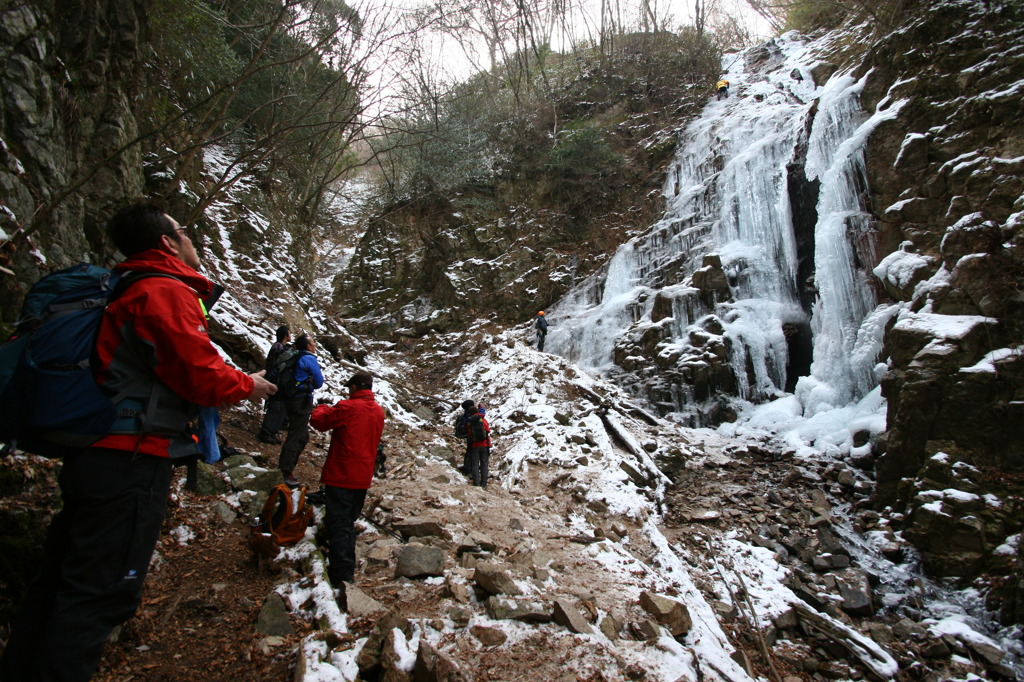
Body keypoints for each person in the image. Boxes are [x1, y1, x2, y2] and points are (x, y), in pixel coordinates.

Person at [0, 200, 277, 682]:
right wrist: (245, 385)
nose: (192, 239)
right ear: (168, 242)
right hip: (129, 459)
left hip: (98, 453)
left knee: (60, 585)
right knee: (98, 595)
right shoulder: (161, 290)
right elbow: (197, 374)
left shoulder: (126, 287)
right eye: (184, 231)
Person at [309, 372, 385, 590]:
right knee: (347, 521)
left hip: (342, 473)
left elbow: (319, 421)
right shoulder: (378, 411)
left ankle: (341, 576)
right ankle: (346, 568)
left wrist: (321, 407)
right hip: (363, 476)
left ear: (353, 387)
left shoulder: (348, 407)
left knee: (339, 523)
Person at [277, 333, 324, 487]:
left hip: (292, 398)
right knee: (296, 436)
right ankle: (285, 471)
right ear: (309, 347)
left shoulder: (295, 356)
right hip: (301, 400)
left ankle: (287, 468)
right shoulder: (308, 358)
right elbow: (318, 382)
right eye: (313, 343)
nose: (315, 345)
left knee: (302, 436)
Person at [257, 325, 291, 444]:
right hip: (276, 381)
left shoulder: (280, 346)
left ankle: (271, 431)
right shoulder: (279, 347)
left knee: (279, 407)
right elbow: (281, 362)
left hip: (278, 381)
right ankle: (266, 432)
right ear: (285, 335)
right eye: (289, 333)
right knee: (275, 407)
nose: (290, 335)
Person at [466, 404, 492, 488]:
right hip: (484, 444)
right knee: (484, 463)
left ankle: (476, 483)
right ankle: (484, 483)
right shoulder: (483, 420)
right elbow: (488, 430)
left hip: (474, 445)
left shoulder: (470, 422)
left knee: (475, 464)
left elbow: (469, 434)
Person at [454, 399, 476, 476]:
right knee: (472, 452)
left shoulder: (465, 415)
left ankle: (467, 468)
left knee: (469, 451)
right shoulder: (472, 415)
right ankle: (470, 470)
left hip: (468, 435)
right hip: (473, 436)